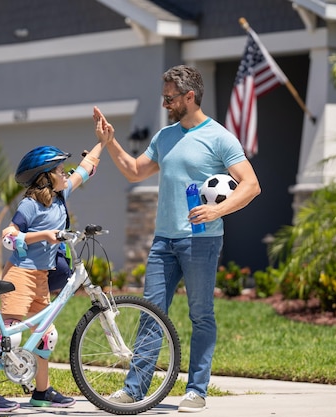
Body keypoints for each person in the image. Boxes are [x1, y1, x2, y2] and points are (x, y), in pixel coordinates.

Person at [94, 64, 261, 413]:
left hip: (201, 240)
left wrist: (217, 211)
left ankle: (196, 390)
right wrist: (110, 143)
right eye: (164, 97)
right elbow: (135, 171)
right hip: (163, 242)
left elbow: (251, 185)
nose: (165, 103)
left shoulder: (219, 137)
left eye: (170, 98)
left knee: (201, 315)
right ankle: (135, 389)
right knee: (150, 312)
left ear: (190, 96)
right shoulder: (165, 136)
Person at [0, 116, 111, 413]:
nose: (66, 174)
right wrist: (43, 236)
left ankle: (41, 391)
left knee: (46, 335)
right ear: (45, 177)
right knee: (10, 334)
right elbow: (9, 236)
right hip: (20, 275)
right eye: (60, 171)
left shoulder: (61, 197)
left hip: (41, 278)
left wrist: (102, 143)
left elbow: (85, 169)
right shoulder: (30, 205)